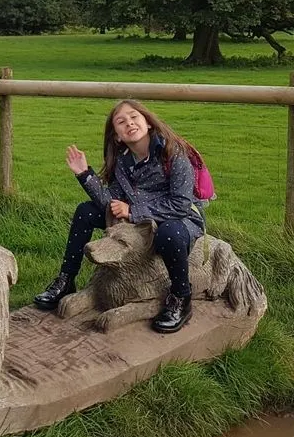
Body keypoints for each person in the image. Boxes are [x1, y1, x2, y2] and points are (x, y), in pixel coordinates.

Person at [33, 99, 205, 334]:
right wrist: (85, 174)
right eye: (121, 122)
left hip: (178, 217)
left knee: (169, 233)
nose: (130, 123)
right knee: (85, 211)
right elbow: (110, 204)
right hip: (137, 218)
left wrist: (133, 211)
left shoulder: (173, 153)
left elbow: (181, 204)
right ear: (116, 136)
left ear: (148, 123)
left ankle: (180, 298)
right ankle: (66, 279)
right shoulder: (123, 161)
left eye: (134, 117)